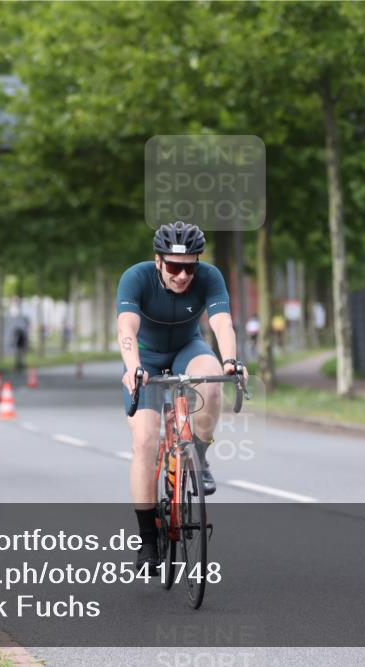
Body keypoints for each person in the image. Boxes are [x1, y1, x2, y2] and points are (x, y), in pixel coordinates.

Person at [116, 220, 248, 573]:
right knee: (144, 443)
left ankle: (199, 458)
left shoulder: (210, 277)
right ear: (158, 261)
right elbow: (126, 327)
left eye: (189, 267)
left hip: (187, 348)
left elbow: (221, 323)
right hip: (146, 359)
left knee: (212, 378)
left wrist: (232, 361)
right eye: (173, 267)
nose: (182, 276)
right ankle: (147, 543)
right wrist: (132, 368)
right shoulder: (136, 277)